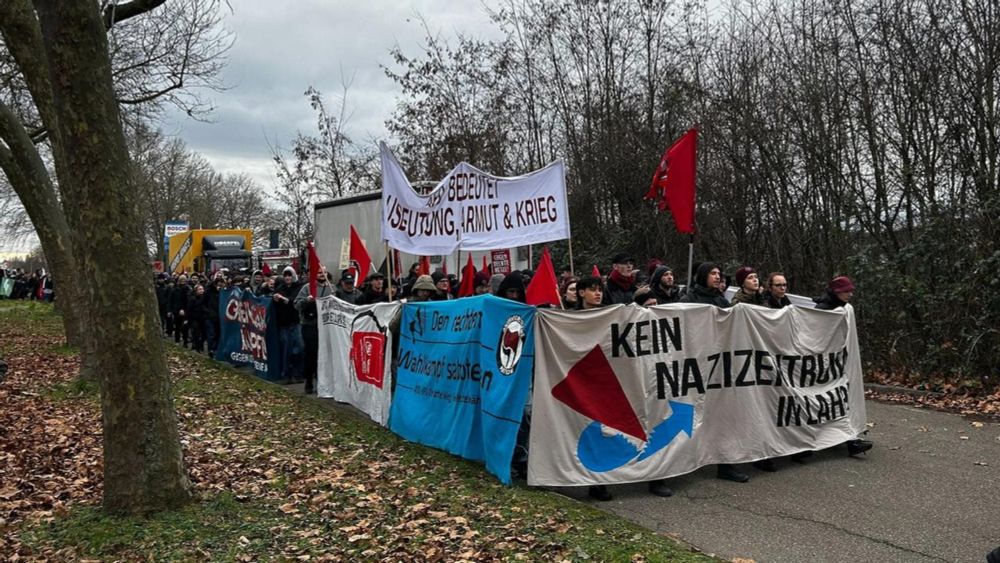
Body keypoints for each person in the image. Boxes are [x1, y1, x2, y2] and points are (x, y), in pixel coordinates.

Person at [812, 275, 873, 457]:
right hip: (824, 365)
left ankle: (849, 439)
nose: (850, 295)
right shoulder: (823, 310)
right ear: (837, 292)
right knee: (830, 402)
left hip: (837, 364)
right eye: (847, 291)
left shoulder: (843, 308)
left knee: (839, 401)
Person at [295, 267, 333, 394]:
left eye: (324, 272)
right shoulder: (307, 288)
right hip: (311, 326)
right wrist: (307, 300)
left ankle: (324, 381)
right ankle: (309, 380)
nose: (322, 274)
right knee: (311, 354)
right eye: (319, 272)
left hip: (327, 327)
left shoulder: (332, 289)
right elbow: (296, 304)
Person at [273, 267, 304, 383]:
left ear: (293, 276)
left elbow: (295, 301)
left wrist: (283, 299)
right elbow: (275, 303)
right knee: (286, 349)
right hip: (284, 323)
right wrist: (275, 299)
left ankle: (298, 373)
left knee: (299, 348)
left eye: (289, 275)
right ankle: (286, 374)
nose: (287, 278)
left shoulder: (299, 287)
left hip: (296, 321)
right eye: (285, 275)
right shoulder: (280, 288)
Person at [168, 274, 191, 346]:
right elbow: (171, 300)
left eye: (184, 280)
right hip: (177, 310)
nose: (183, 281)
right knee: (177, 326)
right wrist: (170, 310)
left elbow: (189, 300)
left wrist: (185, 309)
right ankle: (177, 340)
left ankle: (185, 341)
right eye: (181, 279)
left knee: (185, 327)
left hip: (186, 310)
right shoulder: (175, 289)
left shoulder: (188, 289)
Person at [186, 284, 209, 353]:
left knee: (204, 333)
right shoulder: (192, 299)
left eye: (202, 289)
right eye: (200, 289)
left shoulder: (204, 298)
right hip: (194, 319)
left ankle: (200, 345)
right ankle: (197, 347)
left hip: (203, 318)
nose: (202, 291)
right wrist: (188, 319)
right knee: (196, 333)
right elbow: (189, 310)